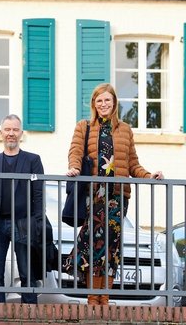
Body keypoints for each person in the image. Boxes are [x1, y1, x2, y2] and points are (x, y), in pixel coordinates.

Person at [65, 83, 163, 306]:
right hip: (94, 195)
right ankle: (93, 299)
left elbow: (132, 164)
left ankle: (104, 298)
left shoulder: (125, 129)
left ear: (114, 103)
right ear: (94, 104)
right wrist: (74, 168)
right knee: (92, 247)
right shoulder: (84, 126)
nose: (103, 104)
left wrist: (149, 176)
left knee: (111, 249)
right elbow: (76, 152)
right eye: (99, 101)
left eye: (107, 100)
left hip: (117, 198)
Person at [0, 114, 44, 304]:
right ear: (1, 133)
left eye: (15, 130)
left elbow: (39, 195)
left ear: (21, 133)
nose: (11, 134)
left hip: (24, 223)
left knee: (27, 273)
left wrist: (38, 222)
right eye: (7, 130)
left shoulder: (33, 160)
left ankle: (30, 314)